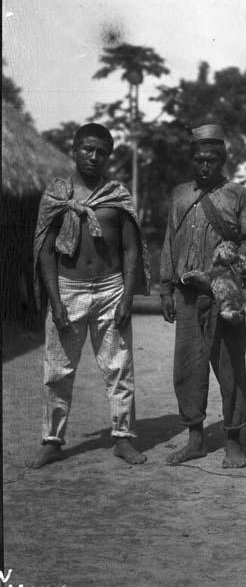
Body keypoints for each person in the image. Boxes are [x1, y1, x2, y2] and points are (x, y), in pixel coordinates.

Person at [27, 123, 150, 468]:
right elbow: (46, 251)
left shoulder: (116, 196)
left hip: (110, 289)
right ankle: (52, 440)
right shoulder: (57, 196)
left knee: (119, 367)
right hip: (68, 288)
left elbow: (130, 250)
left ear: (109, 156)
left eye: (101, 152)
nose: (93, 157)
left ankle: (123, 438)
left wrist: (126, 297)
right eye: (87, 149)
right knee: (58, 370)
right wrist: (55, 301)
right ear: (75, 149)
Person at [160, 123, 246, 468]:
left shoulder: (237, 195)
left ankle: (234, 440)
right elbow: (169, 244)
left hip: (224, 293)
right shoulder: (178, 194)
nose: (206, 166)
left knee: (230, 366)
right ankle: (196, 439)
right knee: (187, 368)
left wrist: (238, 257)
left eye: (213, 160)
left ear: (223, 161)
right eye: (199, 160)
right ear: (191, 160)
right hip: (187, 296)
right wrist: (164, 289)